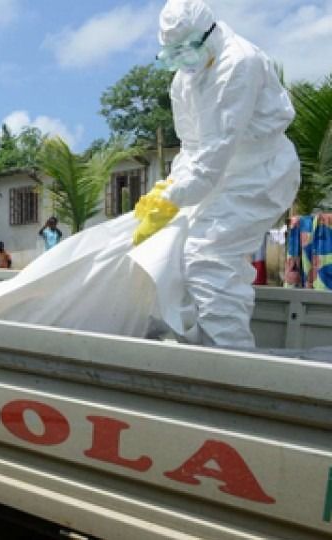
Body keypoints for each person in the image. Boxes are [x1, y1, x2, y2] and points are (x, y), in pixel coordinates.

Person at [134, 0, 300, 348]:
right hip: (215, 176)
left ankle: (230, 360)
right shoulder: (183, 80)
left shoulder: (238, 63)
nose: (183, 60)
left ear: (210, 32)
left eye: (188, 49)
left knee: (208, 256)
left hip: (259, 174)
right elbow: (192, 146)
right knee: (174, 251)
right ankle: (197, 347)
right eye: (174, 53)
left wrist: (173, 197)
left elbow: (216, 149)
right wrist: (168, 187)